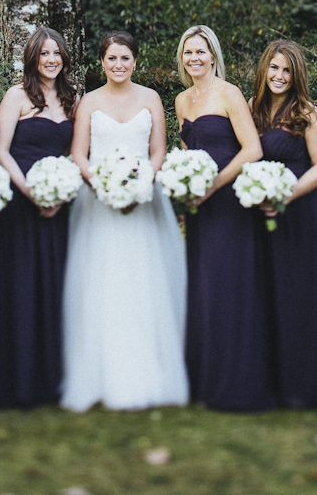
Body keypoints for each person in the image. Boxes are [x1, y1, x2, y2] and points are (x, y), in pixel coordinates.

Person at [61, 30, 189, 411]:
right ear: (102, 61)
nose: (119, 65)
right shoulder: (88, 102)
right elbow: (79, 154)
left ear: (135, 61)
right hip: (97, 205)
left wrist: (140, 184)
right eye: (112, 58)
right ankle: (97, 375)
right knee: (101, 283)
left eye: (125, 58)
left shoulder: (150, 98)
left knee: (142, 283)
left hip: (143, 203)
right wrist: (102, 185)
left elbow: (159, 151)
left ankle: (149, 372)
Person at [174, 24, 277, 412]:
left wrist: (213, 184)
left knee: (230, 284)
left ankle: (239, 379)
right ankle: (205, 377)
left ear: (213, 56)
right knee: (203, 286)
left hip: (229, 201)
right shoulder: (183, 100)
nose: (194, 58)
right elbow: (186, 150)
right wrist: (185, 186)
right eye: (188, 53)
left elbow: (252, 150)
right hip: (198, 205)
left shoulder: (230, 94)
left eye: (201, 51)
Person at [250, 40, 317, 410]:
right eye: (274, 68)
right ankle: (275, 381)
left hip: (300, 212)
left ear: (296, 76)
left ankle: (309, 385)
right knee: (270, 295)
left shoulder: (307, 113)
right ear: (264, 70)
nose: (279, 76)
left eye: (286, 70)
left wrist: (284, 194)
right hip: (262, 216)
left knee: (302, 296)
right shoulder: (251, 110)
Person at [0, 27, 78, 408]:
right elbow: (0, 149)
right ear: (32, 58)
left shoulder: (73, 99)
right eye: (44, 53)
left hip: (60, 206)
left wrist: (61, 192)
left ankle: (54, 378)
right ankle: (19, 378)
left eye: (56, 53)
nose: (51, 60)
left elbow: (78, 151)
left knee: (57, 284)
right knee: (22, 286)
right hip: (21, 204)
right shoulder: (17, 96)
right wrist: (30, 190)